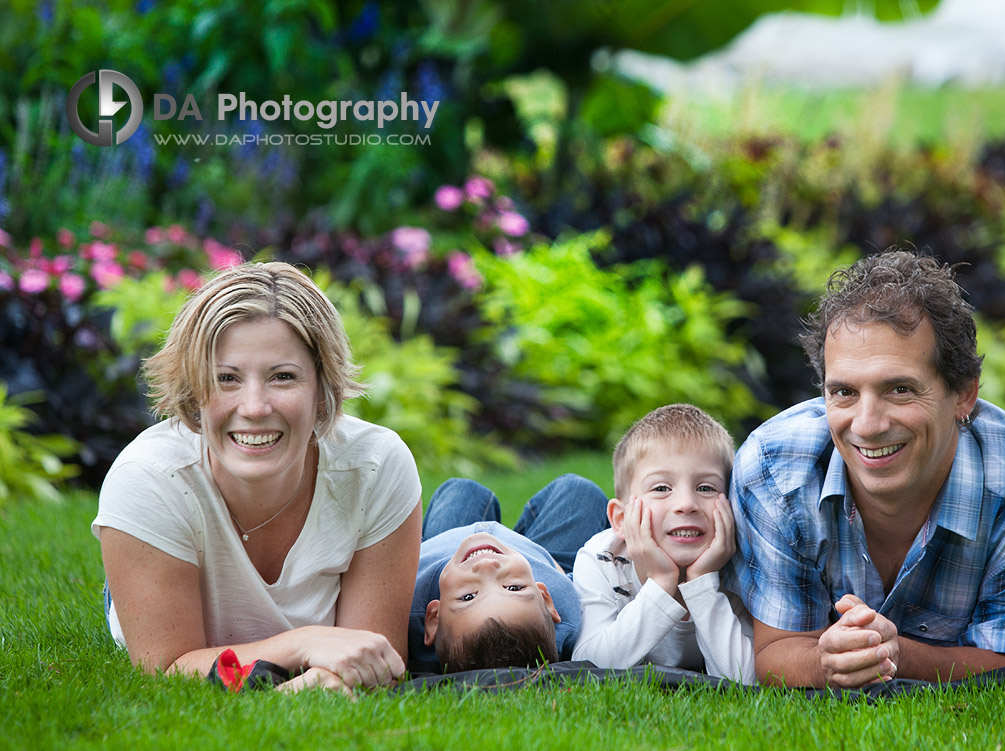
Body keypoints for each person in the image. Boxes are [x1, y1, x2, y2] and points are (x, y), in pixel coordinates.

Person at [727, 249, 1005, 689]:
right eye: (844, 393)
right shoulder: (774, 469)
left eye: (899, 389)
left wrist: (893, 654)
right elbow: (773, 650)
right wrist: (826, 663)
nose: (868, 425)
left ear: (964, 395)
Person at [94, 262, 422, 693]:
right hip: (167, 555)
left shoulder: (375, 466)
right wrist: (305, 645)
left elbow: (371, 658)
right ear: (193, 393)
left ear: (322, 392)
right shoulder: (148, 480)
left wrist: (326, 672)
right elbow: (167, 666)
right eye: (226, 379)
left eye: (282, 377)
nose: (253, 406)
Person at [572, 404, 755, 683]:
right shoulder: (602, 559)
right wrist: (661, 581)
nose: (686, 504)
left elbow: (749, 679)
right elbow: (589, 667)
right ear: (621, 519)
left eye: (706, 488)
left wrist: (702, 583)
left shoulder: (743, 563)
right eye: (661, 488)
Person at [409, 474, 609, 672]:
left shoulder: (409, 603)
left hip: (447, 545)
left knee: (464, 491)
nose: (487, 565)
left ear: (434, 618)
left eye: (468, 596)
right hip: (530, 555)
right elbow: (587, 575)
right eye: (514, 587)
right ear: (545, 597)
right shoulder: (565, 613)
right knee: (580, 492)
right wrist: (548, 561)